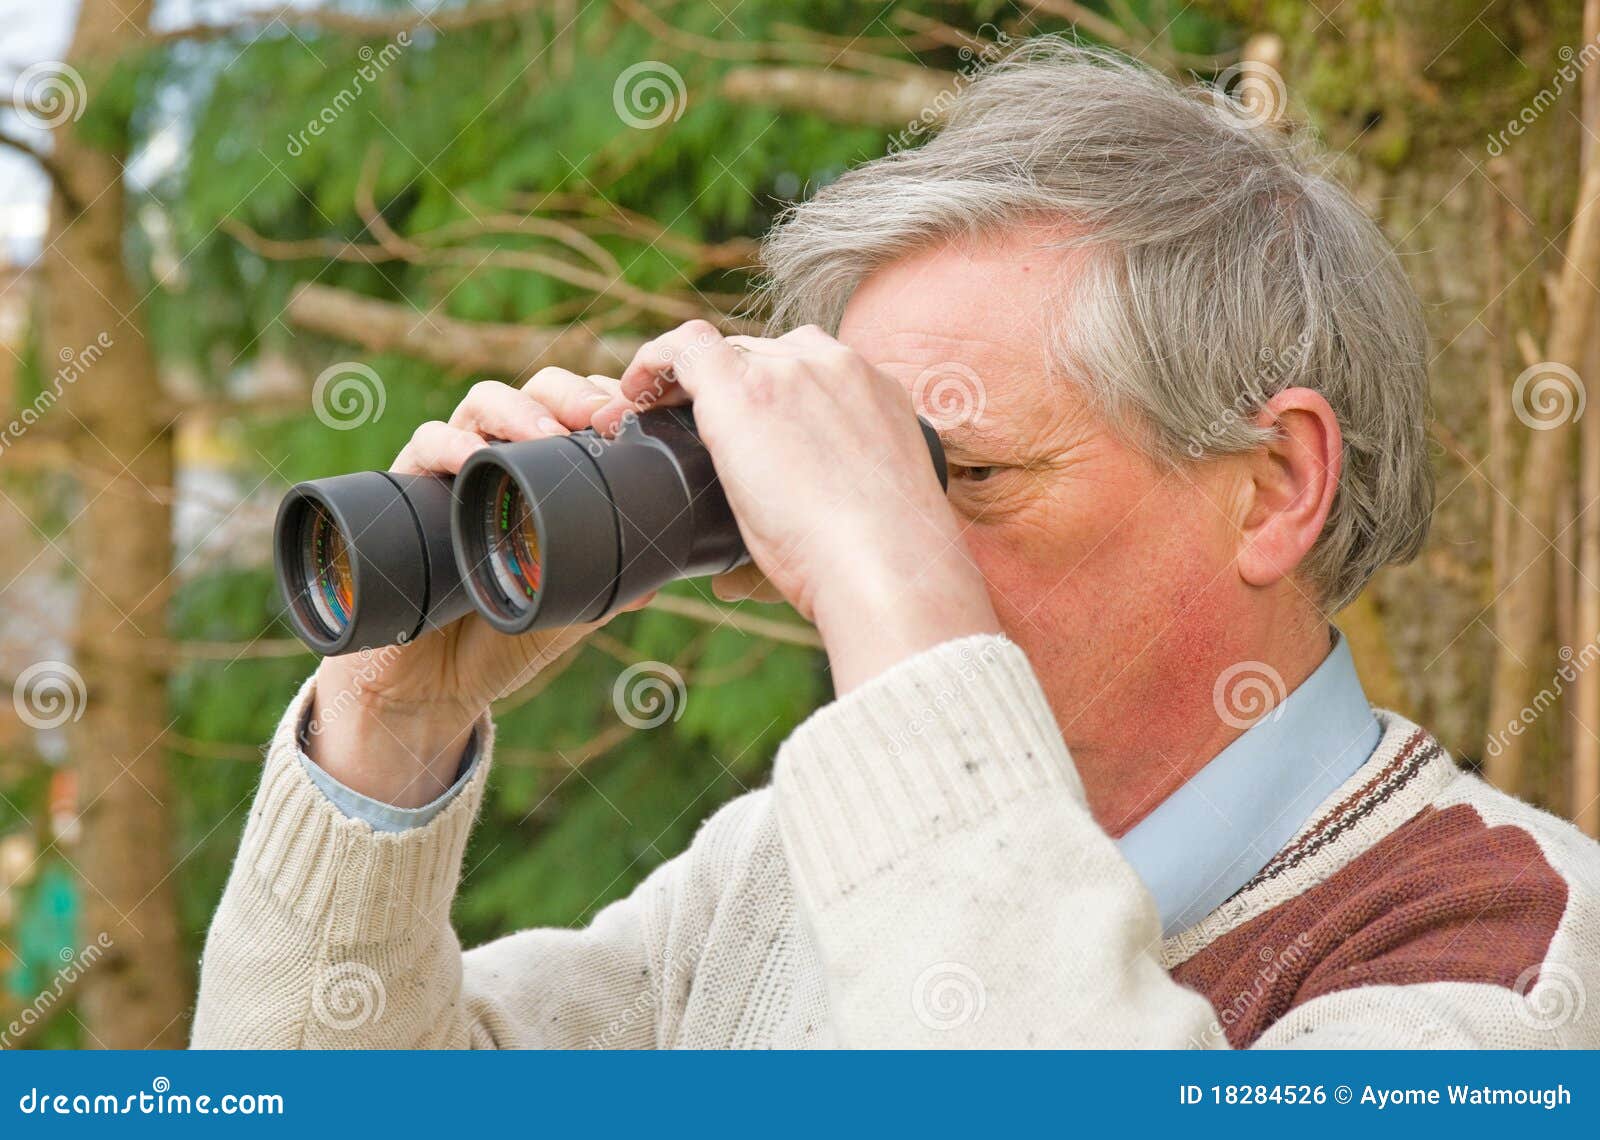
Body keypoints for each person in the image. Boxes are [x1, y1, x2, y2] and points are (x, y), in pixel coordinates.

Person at [193, 38, 1600, 1048]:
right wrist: (391, 730)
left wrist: (891, 583)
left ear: (1274, 484)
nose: (849, 558)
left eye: (955, 471)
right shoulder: (782, 875)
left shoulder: (1506, 956)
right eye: (853, 469)